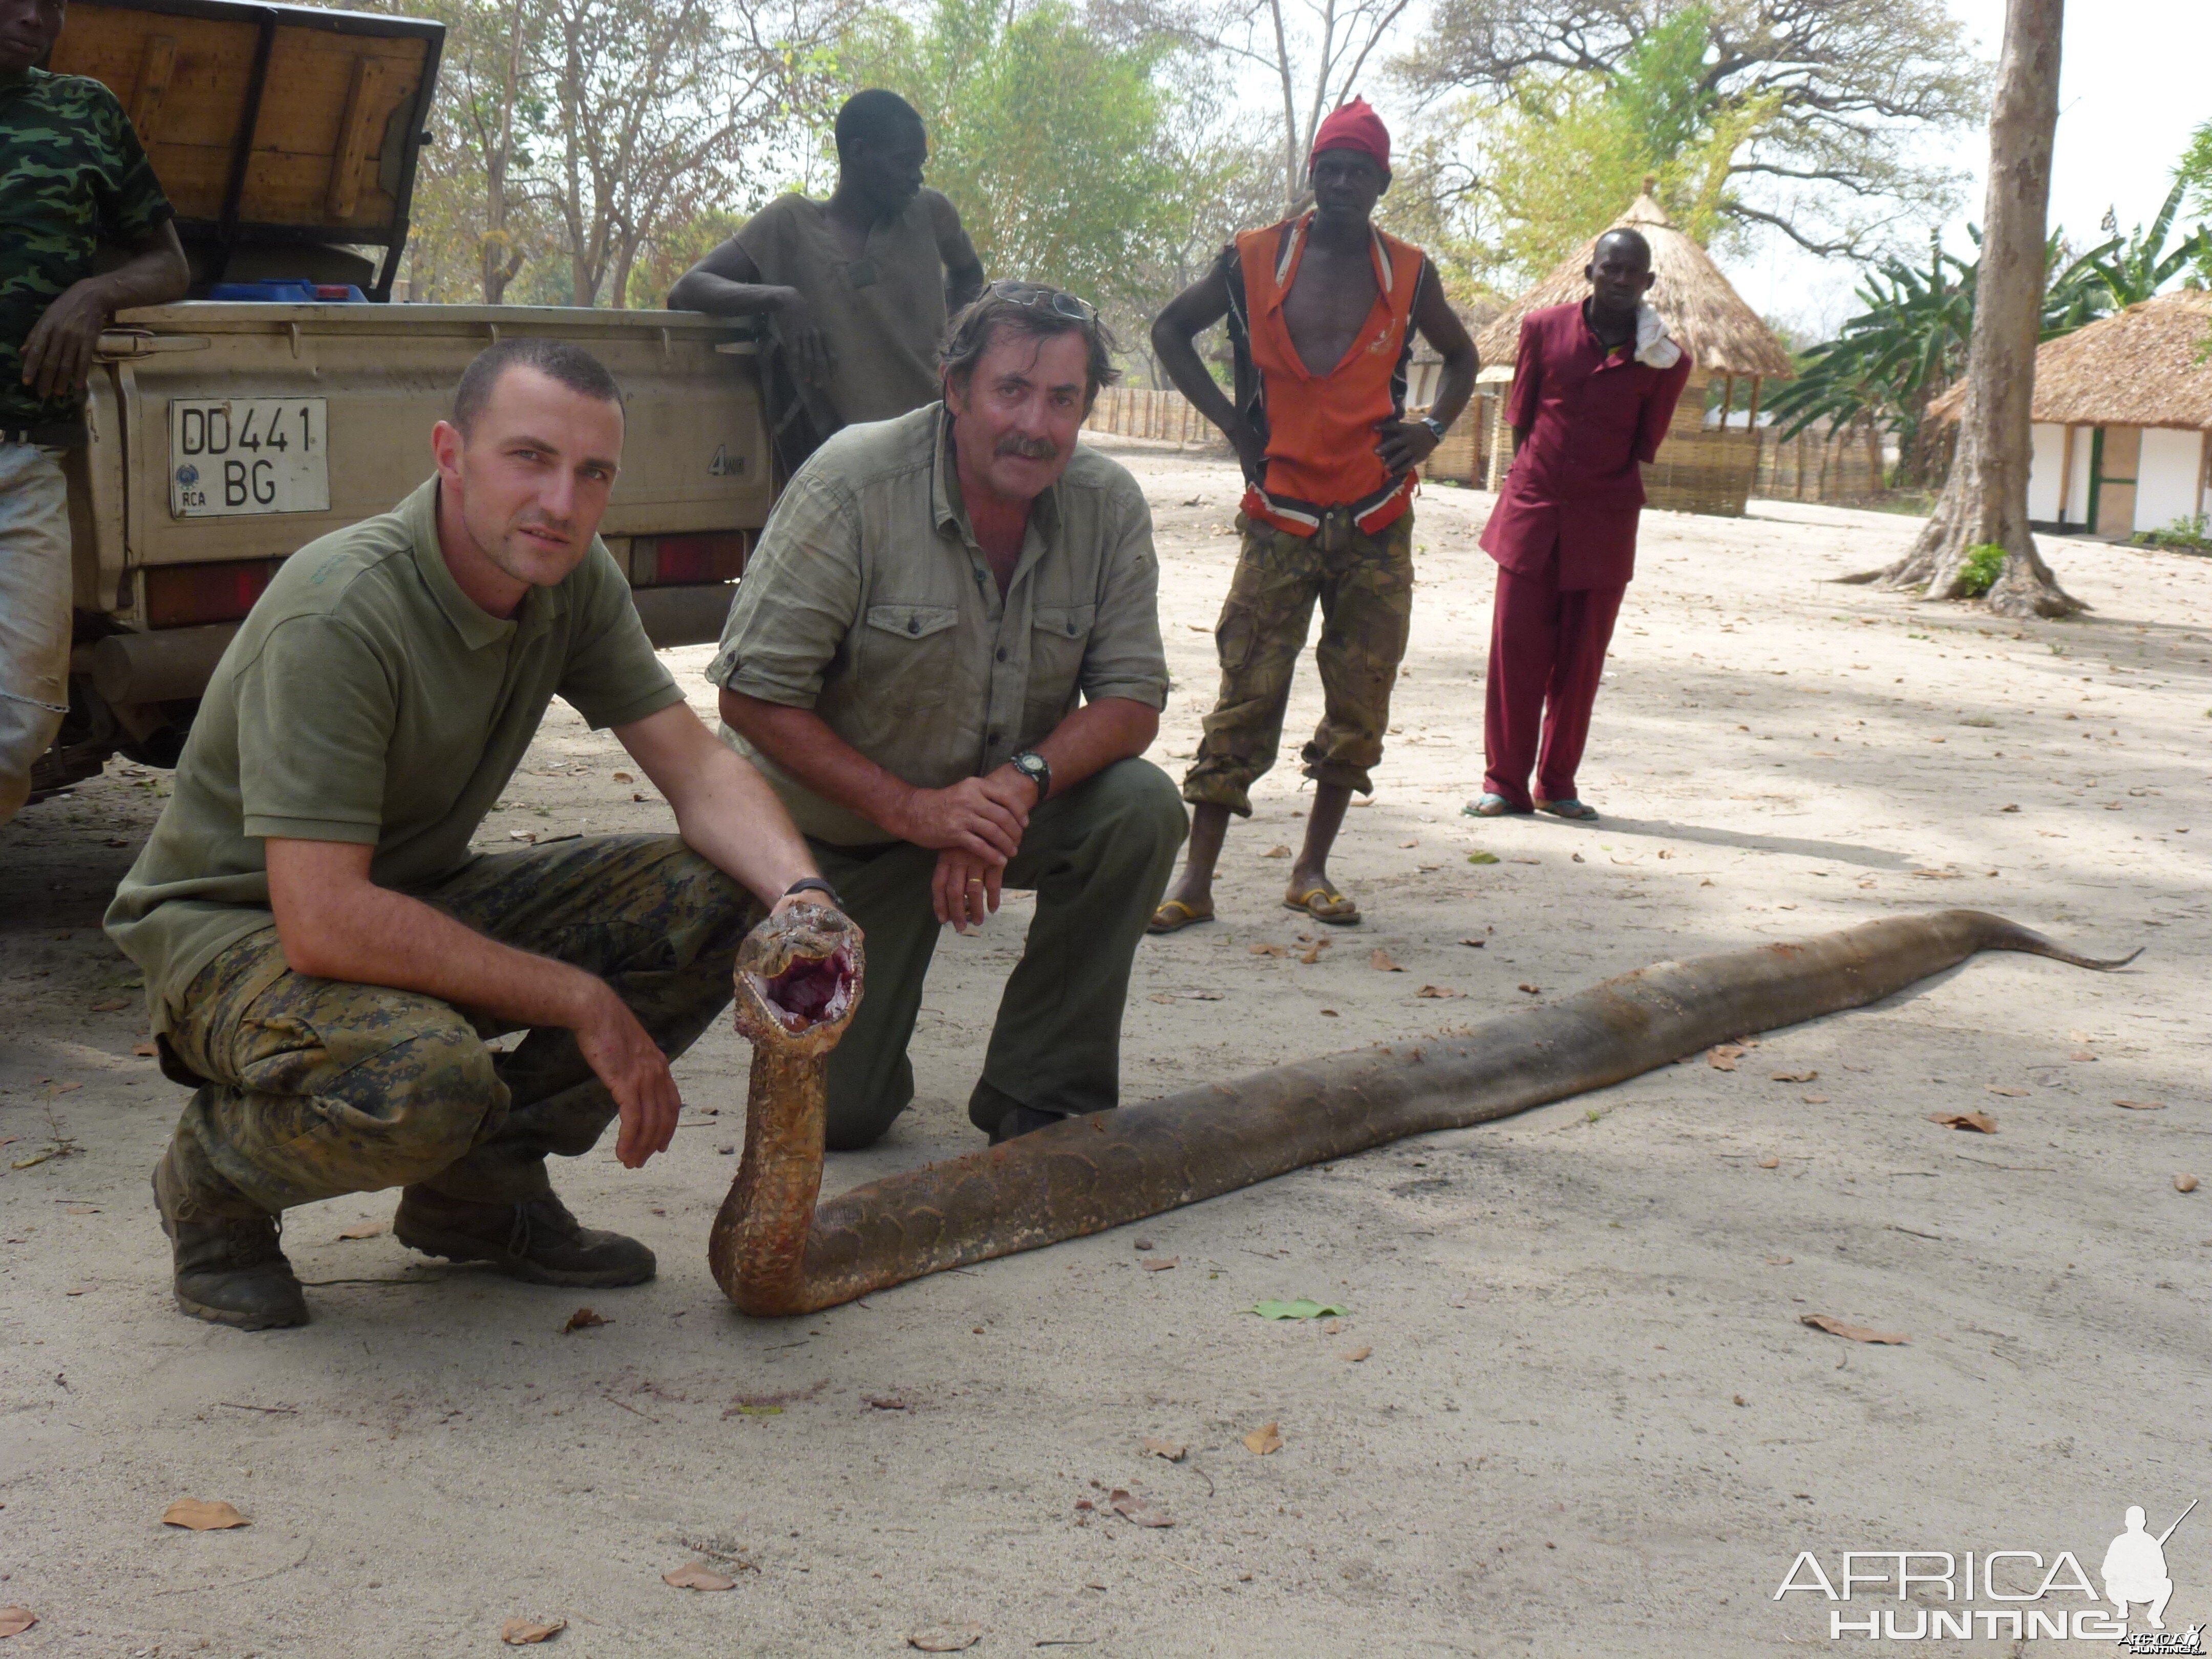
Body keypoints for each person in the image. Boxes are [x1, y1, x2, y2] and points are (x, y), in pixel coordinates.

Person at [104, 338, 839, 1331]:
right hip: (231, 938)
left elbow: (700, 769)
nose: (561, 501)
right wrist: (582, 999)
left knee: (719, 903)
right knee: (429, 1083)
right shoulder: (342, 612)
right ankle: (215, 1189)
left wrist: (803, 900)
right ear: (451, 454)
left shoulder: (568, 583)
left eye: (591, 474)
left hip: (400, 897)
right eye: (528, 458)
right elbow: (321, 921)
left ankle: (479, 1193)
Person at [710, 282, 1183, 1152]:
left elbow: (1131, 699)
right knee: (841, 1119)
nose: (1035, 424)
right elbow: (752, 694)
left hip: (988, 811)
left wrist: (1012, 790)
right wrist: (913, 811)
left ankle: (1043, 1091)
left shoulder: (1107, 503)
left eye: (1063, 399)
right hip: (841, 835)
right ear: (955, 388)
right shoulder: (855, 481)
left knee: (1143, 809)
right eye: (1011, 389)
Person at [1144, 97, 1475, 933]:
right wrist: (1230, 422)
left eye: (1358, 171)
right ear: (1312, 174)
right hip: (1279, 510)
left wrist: (1430, 428)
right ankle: (1197, 879)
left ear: (1380, 182)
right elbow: (1170, 331)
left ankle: (1311, 870)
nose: (1340, 183)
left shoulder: (1410, 271)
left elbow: (1464, 358)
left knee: (1359, 696)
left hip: (1376, 513)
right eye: (1329, 168)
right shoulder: (1252, 258)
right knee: (1246, 688)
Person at [0, 0, 189, 823]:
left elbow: (168, 262)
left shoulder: (84, 111)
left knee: (21, 721)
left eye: (53, 0)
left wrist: (95, 292)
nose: (36, 13)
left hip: (25, 462)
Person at [1465, 226, 1691, 824]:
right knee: (1515, 656)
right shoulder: (1541, 329)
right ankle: (1503, 784)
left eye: (1632, 273)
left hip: (1605, 526)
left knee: (1582, 661)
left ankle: (1556, 785)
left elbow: (1646, 444)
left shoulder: (1665, 359)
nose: (1619, 280)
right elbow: (1522, 418)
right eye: (1609, 268)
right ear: (1589, 272)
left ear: (1649, 283)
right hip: (1533, 515)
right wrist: (1536, 482)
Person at [667, 89, 985, 471]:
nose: (916, 177)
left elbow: (968, 271)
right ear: (858, 153)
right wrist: (780, 299)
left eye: (921, 164)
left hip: (935, 447)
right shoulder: (789, 224)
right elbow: (688, 289)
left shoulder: (930, 213)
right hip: (844, 463)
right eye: (904, 162)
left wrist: (955, 346)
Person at [2100, 1503, 2182, 1628]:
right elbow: (2106, 1571)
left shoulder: (2150, 1542)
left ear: (2127, 1522)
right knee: (2111, 1582)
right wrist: (2123, 1571)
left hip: (2144, 1590)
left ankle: (2154, 1616)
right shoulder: (2120, 1542)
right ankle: (2122, 1606)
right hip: (2124, 1588)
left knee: (2167, 1583)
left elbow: (2162, 1573)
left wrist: (2146, 1567)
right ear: (2144, 1522)